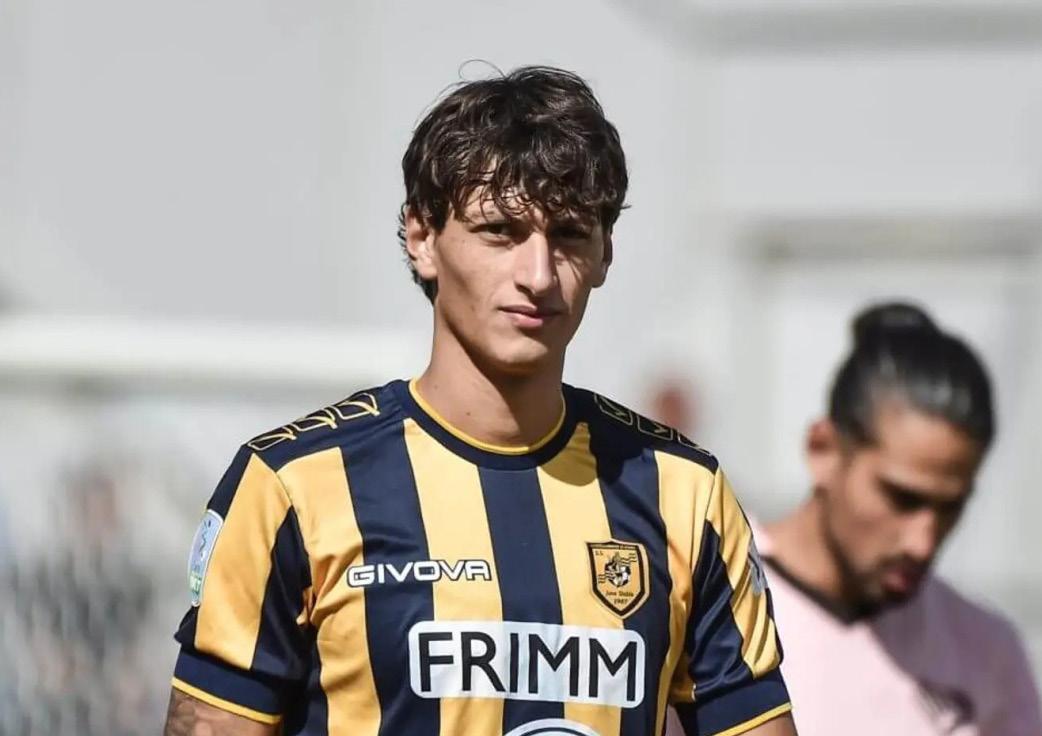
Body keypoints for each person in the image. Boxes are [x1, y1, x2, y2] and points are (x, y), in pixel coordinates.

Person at [163, 66, 796, 736]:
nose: (538, 275)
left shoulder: (684, 494)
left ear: (605, 254)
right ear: (422, 239)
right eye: (500, 231)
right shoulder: (293, 486)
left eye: (569, 235)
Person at [670, 303, 1041, 735]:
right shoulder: (701, 598)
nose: (923, 541)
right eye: (902, 498)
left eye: (950, 507)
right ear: (823, 450)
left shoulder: (987, 656)